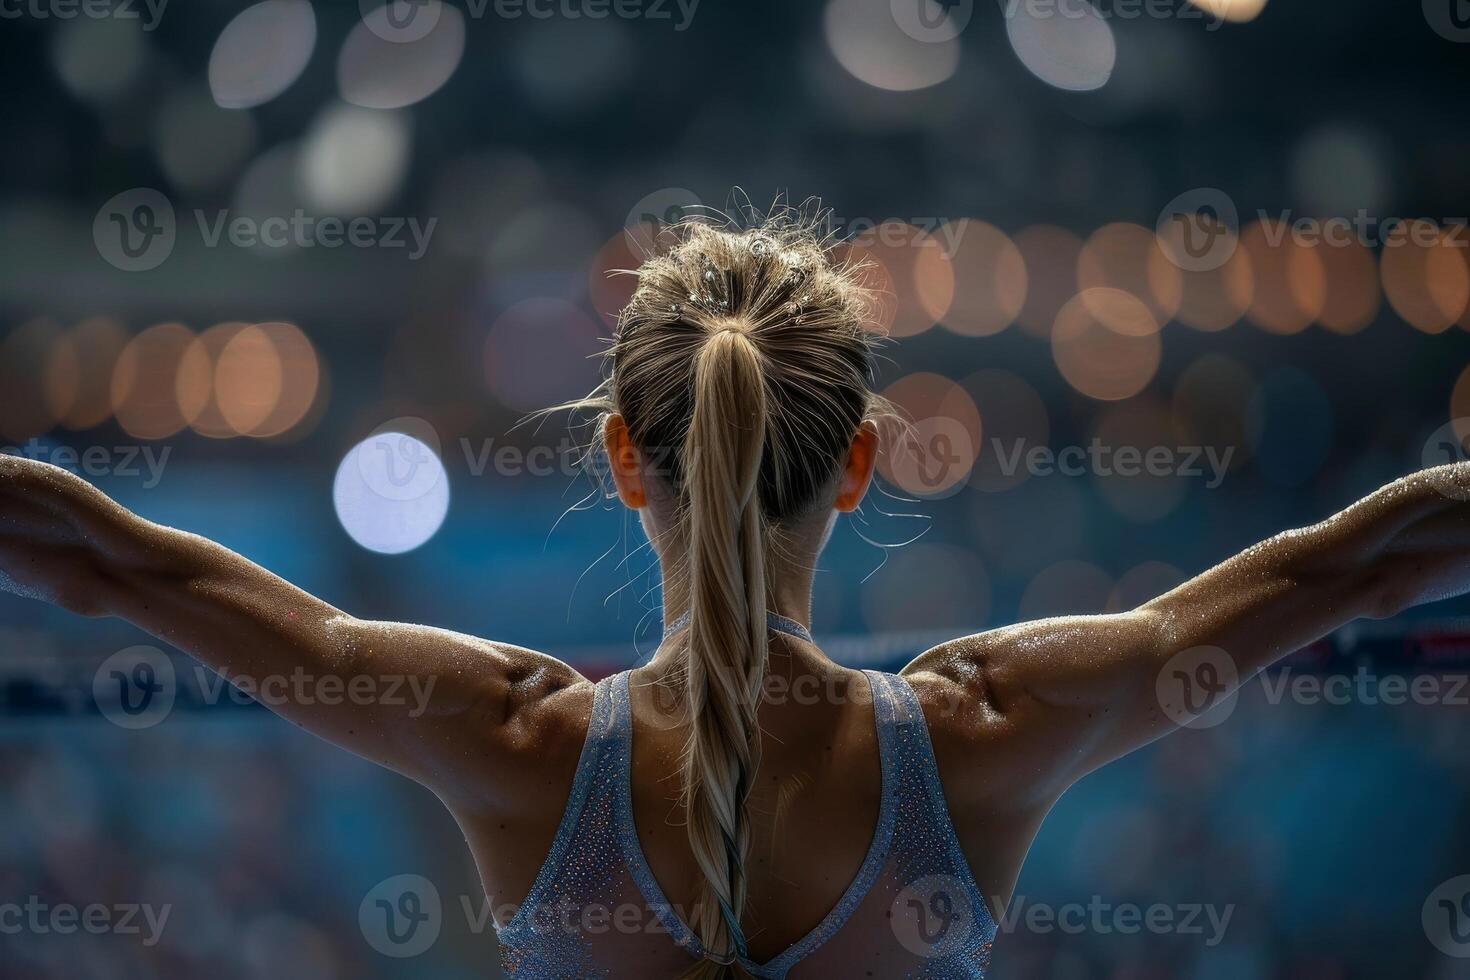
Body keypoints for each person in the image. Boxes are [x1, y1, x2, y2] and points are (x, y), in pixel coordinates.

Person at [2, 215, 1467, 979]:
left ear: (623, 460)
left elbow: (121, 560)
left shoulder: (519, 748)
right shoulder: (984, 731)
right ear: (859, 467)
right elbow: (1358, 561)